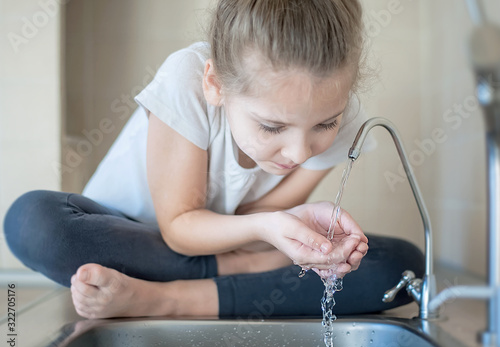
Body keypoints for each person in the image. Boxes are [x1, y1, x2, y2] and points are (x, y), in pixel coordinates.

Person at [3, 0, 423, 320]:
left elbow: (252, 223)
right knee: (34, 222)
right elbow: (181, 230)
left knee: (400, 266)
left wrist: (296, 229)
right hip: (132, 239)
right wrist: (267, 245)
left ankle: (158, 299)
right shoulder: (185, 78)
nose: (299, 152)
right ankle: (227, 281)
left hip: (223, 243)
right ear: (214, 84)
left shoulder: (342, 112)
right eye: (272, 128)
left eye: (324, 125)